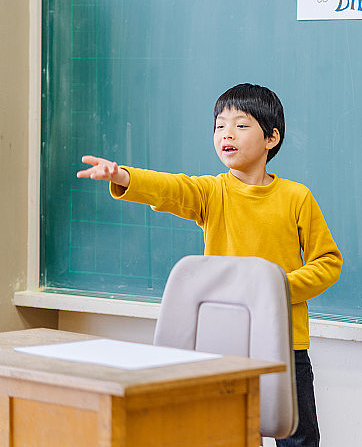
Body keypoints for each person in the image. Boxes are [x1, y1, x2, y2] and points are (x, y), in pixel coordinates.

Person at [77, 83, 342, 447]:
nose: (226, 134)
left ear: (271, 138)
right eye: (219, 126)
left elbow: (327, 262)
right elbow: (171, 188)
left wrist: (277, 291)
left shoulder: (296, 197)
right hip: (224, 342)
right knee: (224, 434)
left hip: (285, 343)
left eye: (241, 125)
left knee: (298, 440)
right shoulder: (212, 192)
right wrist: (124, 177)